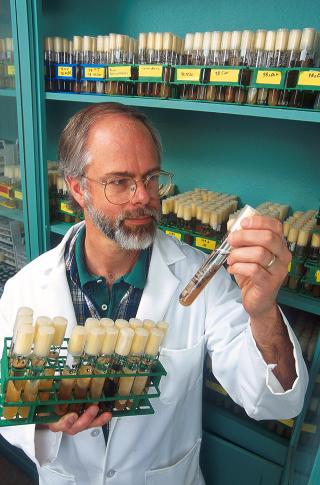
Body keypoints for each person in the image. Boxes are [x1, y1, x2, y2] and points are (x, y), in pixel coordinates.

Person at [0, 102, 308, 485]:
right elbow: (10, 407)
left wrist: (263, 312)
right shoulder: (26, 289)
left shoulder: (202, 280)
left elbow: (275, 400)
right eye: (119, 182)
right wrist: (44, 422)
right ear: (78, 188)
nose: (142, 196)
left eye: (150, 178)